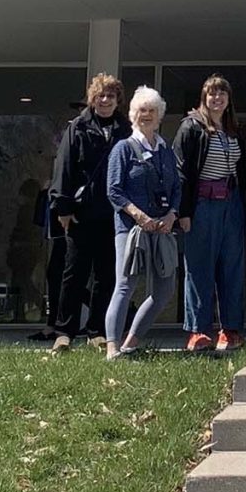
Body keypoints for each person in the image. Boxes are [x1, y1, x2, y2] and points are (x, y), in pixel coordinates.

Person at [102, 87, 182, 357]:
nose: (146, 115)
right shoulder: (123, 149)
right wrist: (139, 216)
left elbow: (177, 189)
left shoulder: (166, 150)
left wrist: (172, 214)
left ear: (159, 115)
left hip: (162, 229)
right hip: (131, 229)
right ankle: (111, 346)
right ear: (133, 115)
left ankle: (132, 342)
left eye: (152, 111)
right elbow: (114, 190)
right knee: (125, 285)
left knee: (165, 289)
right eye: (141, 110)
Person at [49, 76, 124, 351]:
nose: (105, 101)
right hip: (81, 213)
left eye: (110, 97)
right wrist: (63, 207)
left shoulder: (125, 129)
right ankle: (64, 332)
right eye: (100, 96)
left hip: (113, 215)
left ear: (118, 100)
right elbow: (64, 167)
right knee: (73, 273)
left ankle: (97, 331)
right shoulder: (78, 127)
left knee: (107, 276)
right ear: (92, 98)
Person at [174, 75, 246, 353]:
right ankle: (198, 331)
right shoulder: (191, 127)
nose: (217, 99)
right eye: (212, 94)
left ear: (229, 100)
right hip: (202, 205)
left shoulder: (231, 129)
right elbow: (180, 171)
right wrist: (184, 212)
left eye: (222, 95)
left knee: (232, 268)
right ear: (204, 97)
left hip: (231, 204)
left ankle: (230, 331)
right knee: (199, 267)